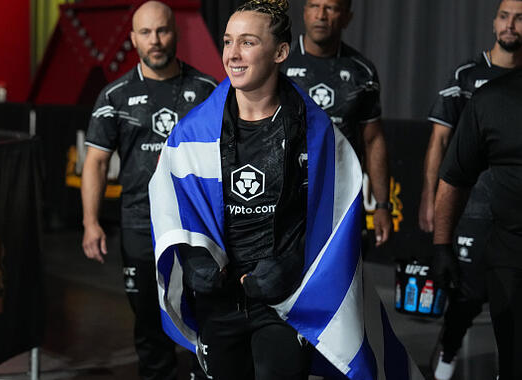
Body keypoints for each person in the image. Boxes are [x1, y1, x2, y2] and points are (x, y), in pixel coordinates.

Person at [148, 1, 425, 379]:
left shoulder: (317, 132)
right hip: (221, 302)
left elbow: (335, 215)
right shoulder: (192, 134)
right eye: (228, 41)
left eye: (247, 42)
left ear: (280, 52)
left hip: (285, 302)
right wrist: (195, 260)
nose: (233, 53)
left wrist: (292, 264)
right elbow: (170, 202)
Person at [80, 2, 217, 379]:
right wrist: (91, 222)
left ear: (176, 33)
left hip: (197, 223)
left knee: (205, 313)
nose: (155, 41)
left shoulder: (207, 90)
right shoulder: (115, 96)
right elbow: (94, 162)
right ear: (133, 40)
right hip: (141, 224)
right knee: (148, 320)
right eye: (146, 33)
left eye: (162, 31)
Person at [419, 1, 522, 378]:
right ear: (494, 22)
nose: (511, 25)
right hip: (471, 209)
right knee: (466, 296)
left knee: (506, 302)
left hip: (508, 212)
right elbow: (440, 145)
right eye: (505, 16)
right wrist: (430, 200)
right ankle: (445, 362)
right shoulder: (467, 76)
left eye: (520, 17)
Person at [280, 0, 392, 247]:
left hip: (342, 196)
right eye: (314, 6)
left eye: (331, 8)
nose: (321, 15)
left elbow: (373, 140)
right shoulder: (280, 62)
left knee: (342, 282)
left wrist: (382, 205)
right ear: (304, 11)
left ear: (347, 17)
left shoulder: (362, 71)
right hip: (286, 198)